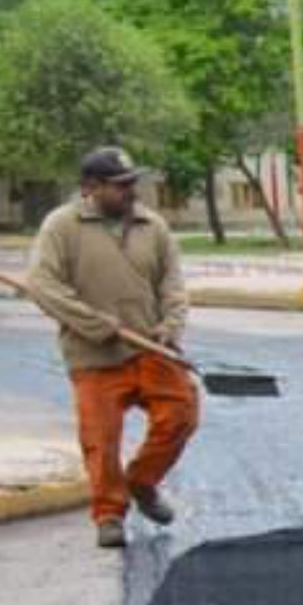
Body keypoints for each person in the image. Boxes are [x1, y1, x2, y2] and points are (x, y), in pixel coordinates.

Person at [20, 145, 198, 550]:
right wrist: (95, 325)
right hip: (94, 357)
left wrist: (170, 326)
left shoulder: (152, 225)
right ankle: (109, 514)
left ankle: (142, 482)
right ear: (90, 187)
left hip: (151, 347)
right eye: (119, 186)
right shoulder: (61, 227)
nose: (130, 191)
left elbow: (173, 285)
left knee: (182, 414)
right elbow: (42, 286)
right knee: (101, 441)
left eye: (132, 183)